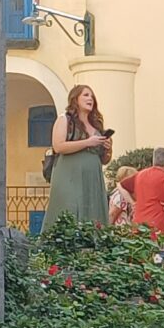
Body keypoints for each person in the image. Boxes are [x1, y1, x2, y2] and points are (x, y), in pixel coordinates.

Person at [47, 84, 114, 226]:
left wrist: (108, 148)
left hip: (93, 178)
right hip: (70, 176)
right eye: (86, 95)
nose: (90, 98)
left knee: (93, 213)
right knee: (69, 209)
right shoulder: (65, 119)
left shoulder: (96, 126)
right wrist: (88, 142)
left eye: (92, 96)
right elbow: (58, 146)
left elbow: (104, 160)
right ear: (75, 99)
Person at [128, 149, 164, 235]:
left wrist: (132, 203)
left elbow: (121, 186)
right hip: (158, 224)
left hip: (138, 223)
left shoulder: (140, 175)